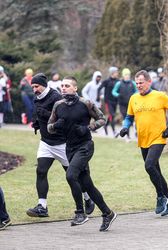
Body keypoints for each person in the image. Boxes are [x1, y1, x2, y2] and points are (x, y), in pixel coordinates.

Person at [48, 76, 116, 231]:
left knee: (70, 175)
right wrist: (56, 126)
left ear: (75, 88)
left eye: (66, 85)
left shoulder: (86, 103)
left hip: (85, 146)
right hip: (69, 148)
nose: (63, 88)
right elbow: (49, 126)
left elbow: (102, 119)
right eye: (62, 86)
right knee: (87, 185)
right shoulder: (58, 105)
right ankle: (108, 213)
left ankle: (80, 213)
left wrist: (88, 128)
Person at [27, 73, 95, 218]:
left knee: (74, 175)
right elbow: (38, 113)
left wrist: (43, 114)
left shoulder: (57, 98)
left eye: (36, 86)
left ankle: (88, 199)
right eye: (32, 87)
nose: (34, 89)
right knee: (41, 171)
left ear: (44, 86)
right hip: (46, 143)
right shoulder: (37, 97)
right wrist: (36, 122)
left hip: (62, 144)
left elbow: (63, 118)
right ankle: (42, 206)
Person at [119, 70, 168, 217]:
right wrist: (125, 127)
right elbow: (129, 117)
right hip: (143, 139)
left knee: (149, 165)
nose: (138, 85)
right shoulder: (133, 98)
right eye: (137, 83)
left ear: (149, 82)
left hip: (158, 138)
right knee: (155, 171)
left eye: (141, 82)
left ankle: (161, 197)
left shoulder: (160, 96)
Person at [112, 68, 137, 138]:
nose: (127, 76)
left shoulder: (133, 83)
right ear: (123, 75)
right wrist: (118, 95)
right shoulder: (119, 83)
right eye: (126, 75)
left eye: (128, 75)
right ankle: (127, 135)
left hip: (131, 104)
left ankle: (134, 131)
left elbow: (137, 91)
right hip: (122, 104)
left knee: (131, 119)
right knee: (126, 118)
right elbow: (113, 91)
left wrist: (134, 95)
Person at [97, 66, 119, 136]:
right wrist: (98, 97)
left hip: (115, 101)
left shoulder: (118, 81)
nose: (117, 73)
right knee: (112, 115)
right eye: (116, 72)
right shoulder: (106, 81)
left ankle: (105, 126)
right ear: (112, 73)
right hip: (108, 101)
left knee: (111, 115)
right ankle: (114, 131)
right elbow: (99, 89)